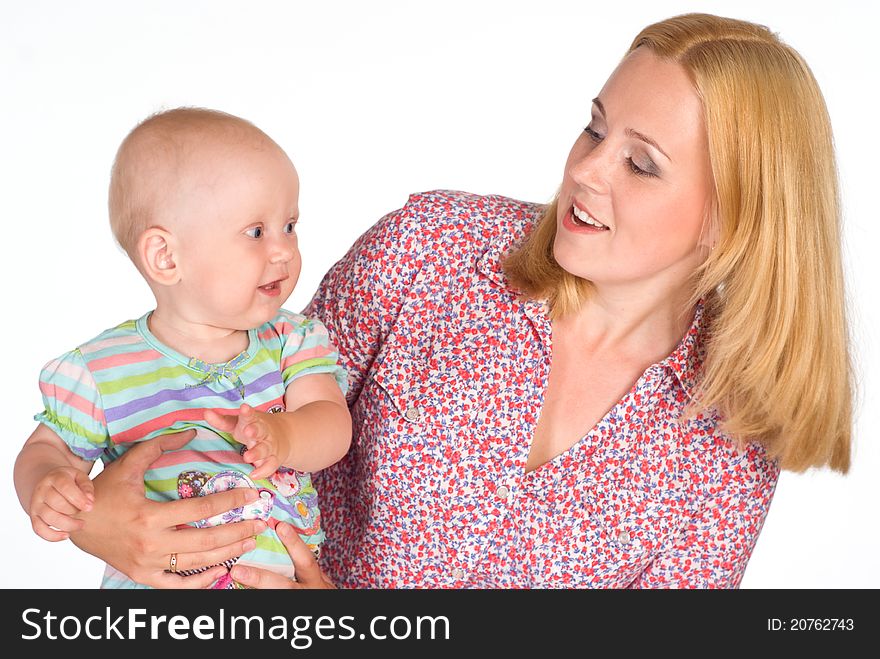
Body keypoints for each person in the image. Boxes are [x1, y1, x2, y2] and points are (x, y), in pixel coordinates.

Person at [56, 12, 853, 589]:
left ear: (735, 219)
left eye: (641, 164)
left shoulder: (732, 438)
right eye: (594, 129)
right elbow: (219, 382)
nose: (586, 170)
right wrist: (90, 514)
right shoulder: (433, 248)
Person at [13, 108, 352, 589]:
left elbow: (332, 423)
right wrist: (45, 487)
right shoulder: (101, 371)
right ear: (166, 256)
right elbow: (48, 450)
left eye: (290, 226)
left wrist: (285, 435)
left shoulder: (292, 340)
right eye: (257, 231)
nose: (283, 250)